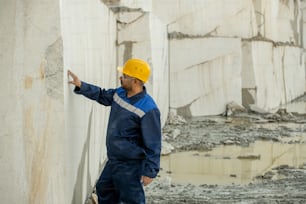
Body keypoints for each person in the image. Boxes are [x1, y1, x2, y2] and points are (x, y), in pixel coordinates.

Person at [68, 58, 162, 204]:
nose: (121, 78)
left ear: (136, 81)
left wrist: (150, 171)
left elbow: (154, 143)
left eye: (125, 76)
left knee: (131, 199)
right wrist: (81, 85)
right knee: (104, 189)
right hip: (114, 160)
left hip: (131, 164)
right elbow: (102, 95)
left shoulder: (148, 109)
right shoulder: (120, 93)